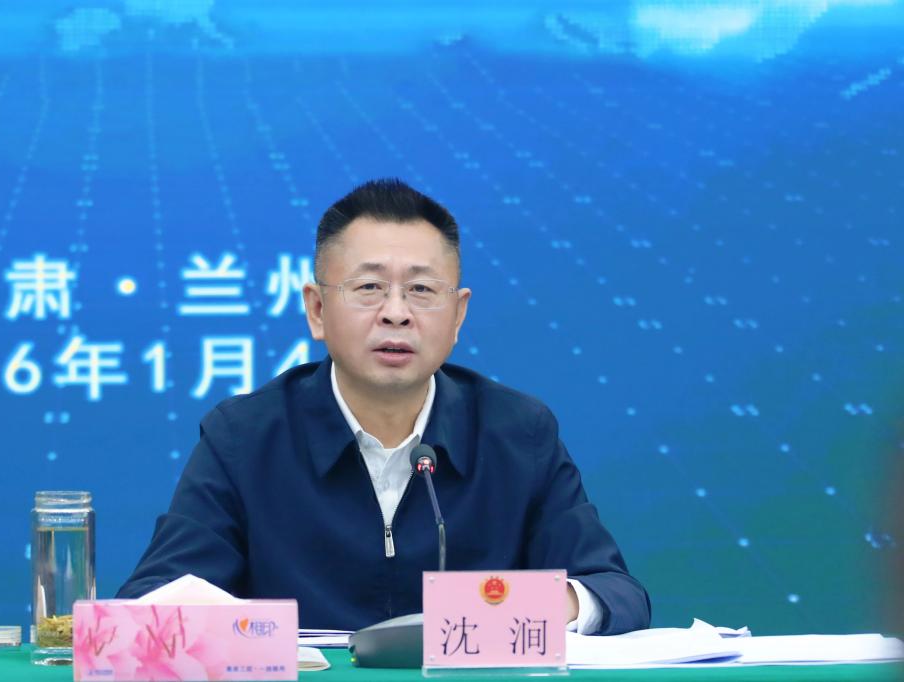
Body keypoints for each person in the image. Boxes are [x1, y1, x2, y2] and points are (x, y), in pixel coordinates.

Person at [117, 178, 651, 635]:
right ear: (317, 309)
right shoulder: (246, 436)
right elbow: (154, 601)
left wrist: (529, 607)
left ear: (458, 315)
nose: (396, 313)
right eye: (369, 287)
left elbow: (617, 593)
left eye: (422, 290)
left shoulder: (517, 433)